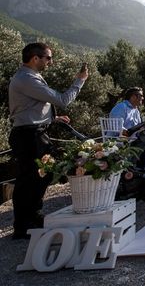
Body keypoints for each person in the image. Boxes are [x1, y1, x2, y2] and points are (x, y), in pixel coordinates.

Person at [8, 42, 88, 239]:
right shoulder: (27, 79)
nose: (51, 62)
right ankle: (22, 226)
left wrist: (52, 118)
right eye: (48, 58)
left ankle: (33, 217)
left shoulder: (30, 77)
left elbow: (31, 106)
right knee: (28, 180)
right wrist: (79, 81)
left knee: (41, 177)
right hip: (29, 136)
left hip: (35, 132)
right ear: (35, 58)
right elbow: (62, 100)